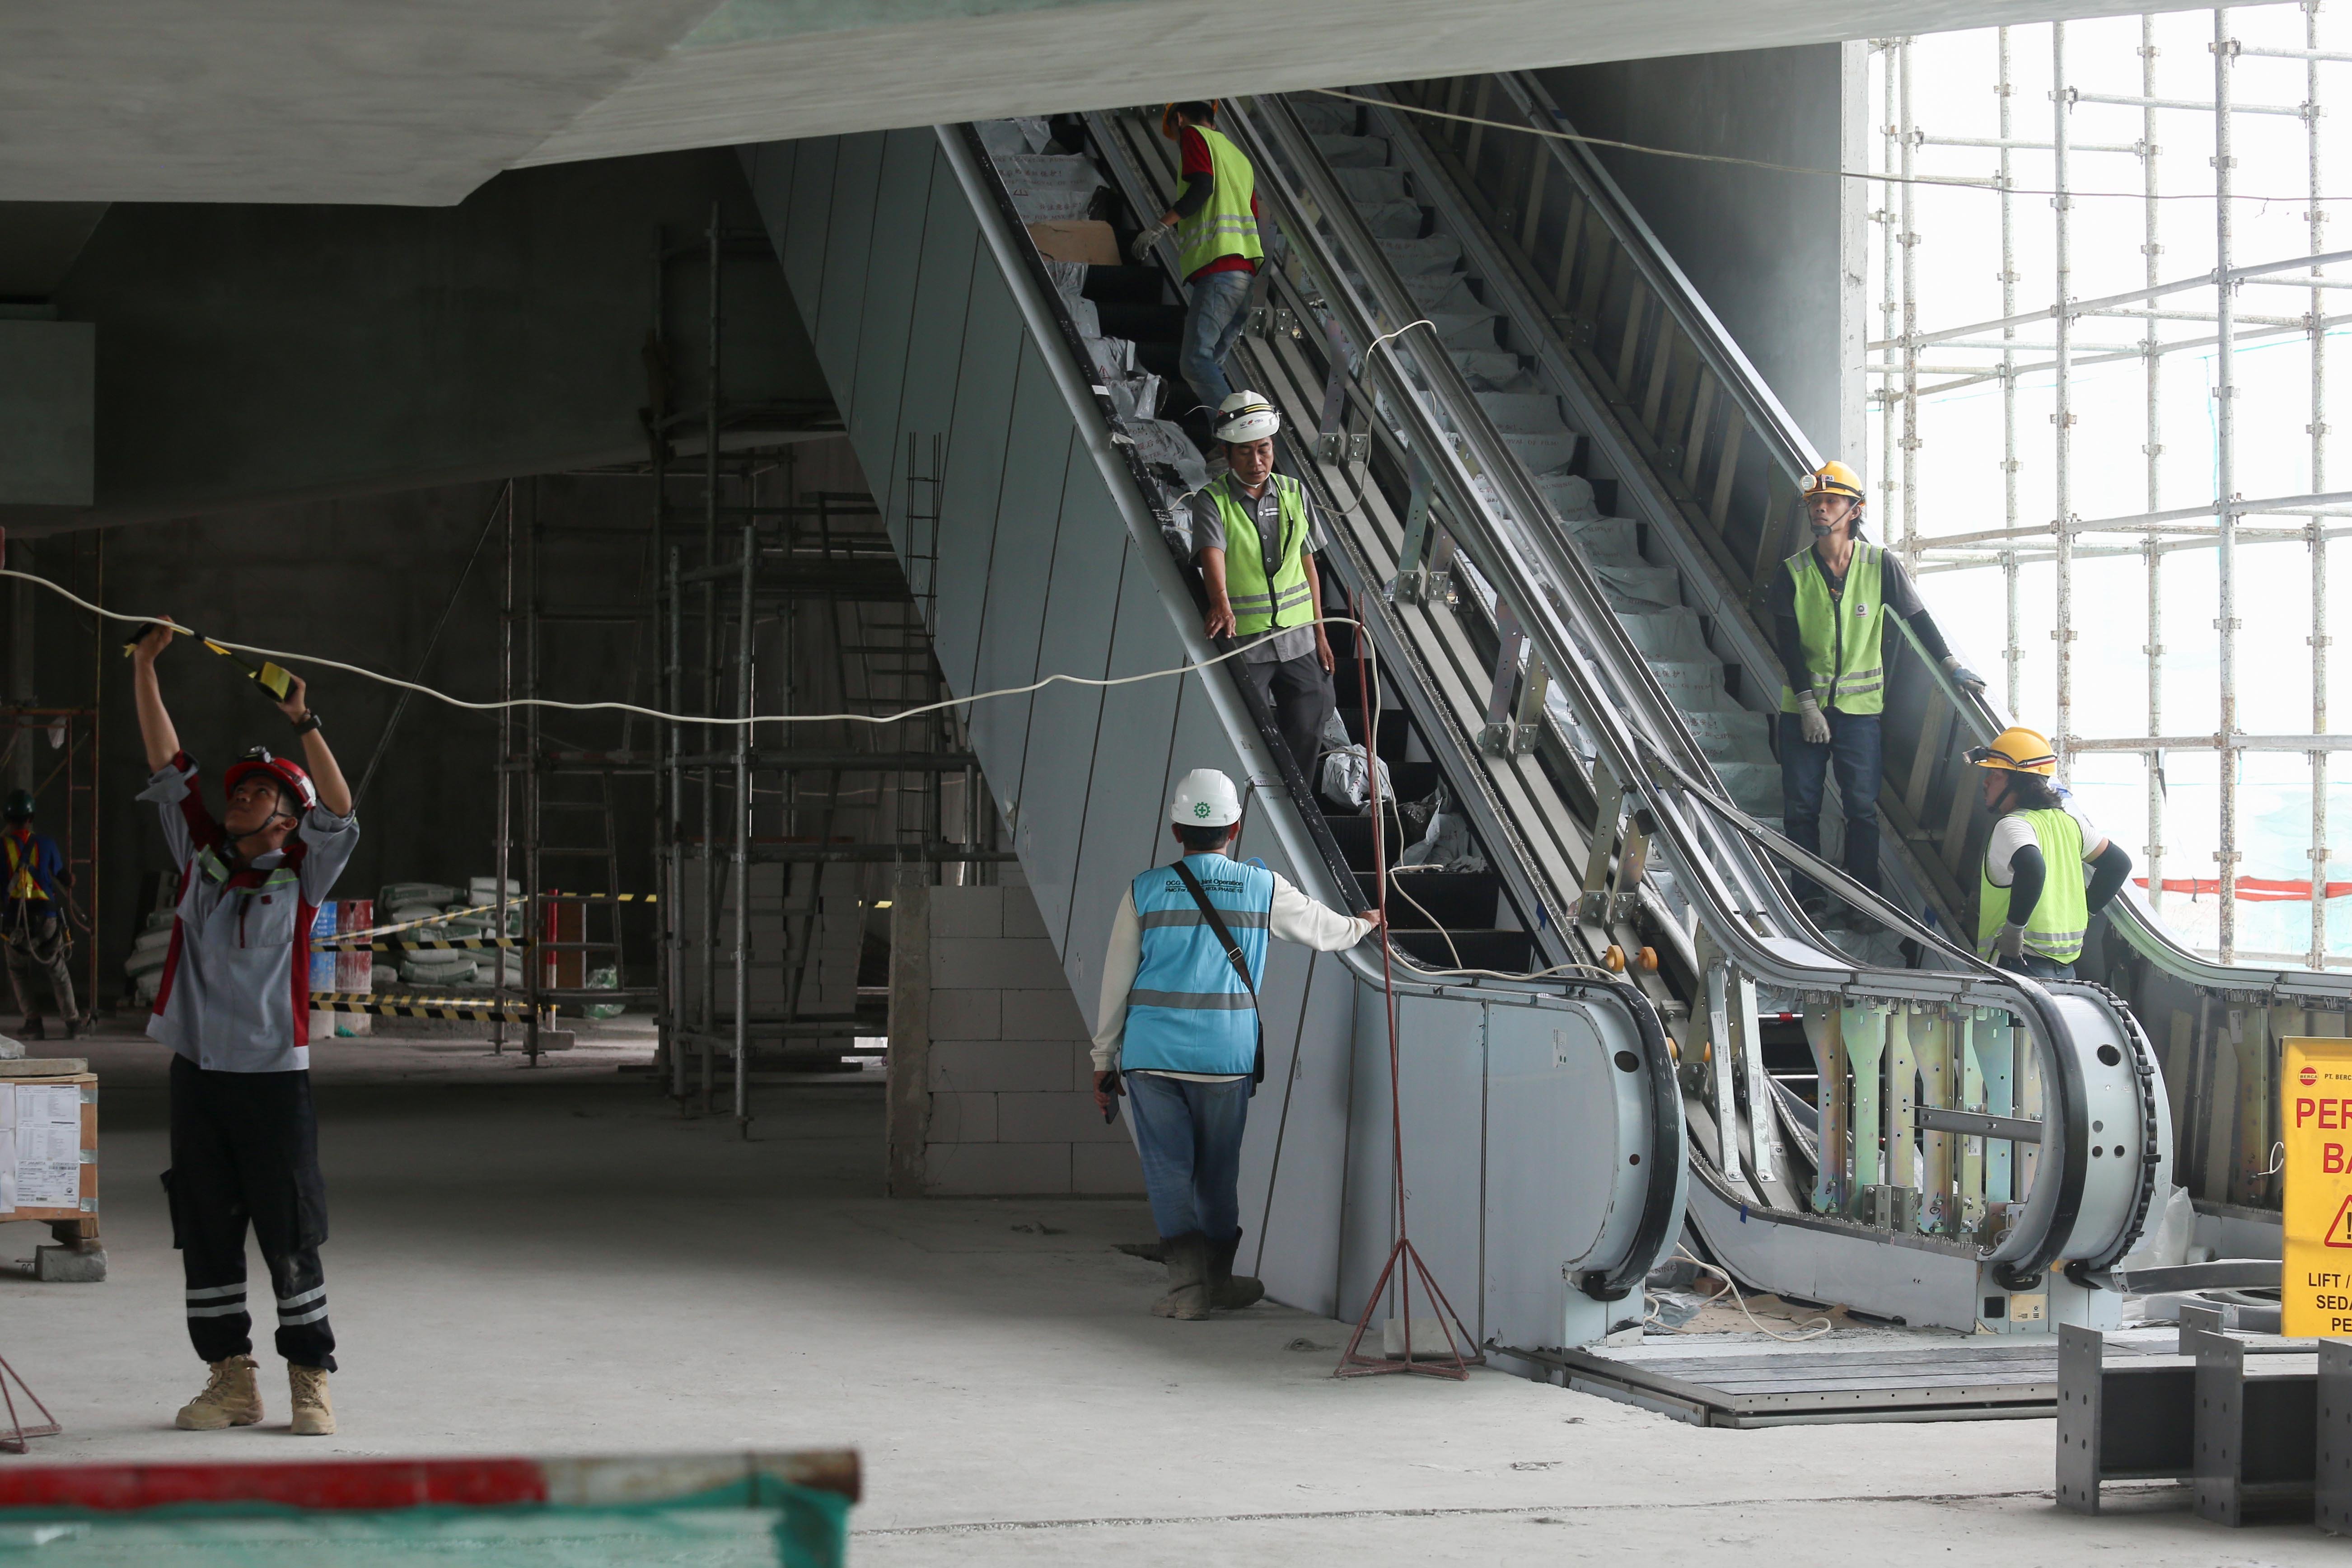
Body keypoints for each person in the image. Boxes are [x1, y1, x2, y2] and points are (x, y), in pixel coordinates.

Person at [130, 622, 357, 1437]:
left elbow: (341, 809)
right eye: (239, 788)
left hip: (271, 1076)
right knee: (206, 1225)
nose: (240, 795)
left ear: (288, 820)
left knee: (289, 1225)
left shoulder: (301, 874)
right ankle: (231, 1378)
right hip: (199, 1072)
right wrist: (148, 666)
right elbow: (167, 762)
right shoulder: (200, 858)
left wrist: (305, 722)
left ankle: (309, 1379)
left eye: (259, 792)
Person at [1091, 768, 1381, 1318]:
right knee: (1218, 1173)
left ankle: (1186, 1292)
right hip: (1226, 1058)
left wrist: (1103, 1061)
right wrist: (1365, 924)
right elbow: (1327, 931)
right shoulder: (1260, 886)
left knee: (1168, 1171)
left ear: (1176, 831)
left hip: (1152, 1058)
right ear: (1235, 827)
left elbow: (1115, 985)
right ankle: (1218, 1280)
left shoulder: (1144, 891)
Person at [1771, 459, 1984, 911]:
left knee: (1861, 810)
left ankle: (1863, 900)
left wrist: (1949, 665)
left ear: (1854, 510)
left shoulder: (1878, 564)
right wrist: (1807, 706)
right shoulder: (1792, 572)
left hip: (1859, 714)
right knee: (1801, 809)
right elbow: (1787, 645)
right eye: (1814, 502)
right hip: (1801, 711)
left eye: (1830, 501)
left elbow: (1916, 617)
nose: (1820, 509)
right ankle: (1807, 897)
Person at [1192, 391, 1337, 783]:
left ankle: (1298, 799)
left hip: (1297, 636)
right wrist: (1220, 603)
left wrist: (1320, 631)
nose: (1256, 462)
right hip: (1246, 640)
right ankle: (1244, 801)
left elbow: (1309, 563)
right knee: (1239, 730)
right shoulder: (1212, 501)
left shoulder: (1295, 493)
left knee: (1313, 715)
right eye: (1245, 453)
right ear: (1227, 453)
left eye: (1264, 450)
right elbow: (1212, 553)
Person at [1967, 726, 2132, 980]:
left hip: (2020, 965)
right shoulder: (2070, 824)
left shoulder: (2013, 825)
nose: (1986, 782)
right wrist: (2084, 912)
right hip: (2066, 971)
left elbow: (2033, 868)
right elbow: (2118, 865)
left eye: (1996, 774)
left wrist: (2013, 932)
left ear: (2018, 782)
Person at [1132, 101, 1263, 418]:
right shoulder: (1238, 157)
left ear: (1179, 119)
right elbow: (1253, 215)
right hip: (1244, 277)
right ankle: (1226, 445)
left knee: (1195, 362)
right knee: (1209, 367)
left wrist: (1159, 227)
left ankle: (1238, 437)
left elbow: (1202, 186)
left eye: (1175, 133)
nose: (1179, 142)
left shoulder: (1194, 136)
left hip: (1219, 269)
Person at [0, 789, 80, 1040]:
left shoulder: (1, 847)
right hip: (47, 919)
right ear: (31, 818)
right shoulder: (45, 844)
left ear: (6, 818)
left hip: (15, 921)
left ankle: (33, 1023)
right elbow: (65, 879)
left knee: (19, 971)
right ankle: (73, 1022)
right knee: (57, 968)